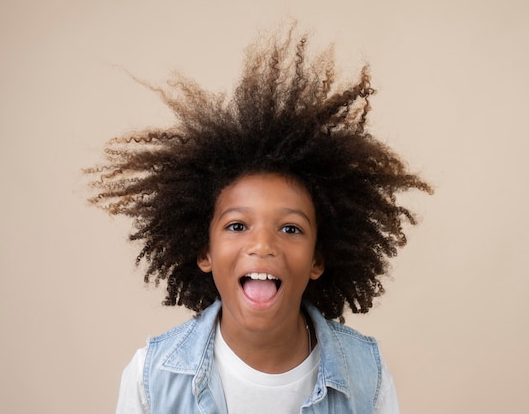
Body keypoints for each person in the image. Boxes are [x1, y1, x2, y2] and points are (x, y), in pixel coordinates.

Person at [87, 26, 432, 414]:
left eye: (290, 228)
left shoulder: (367, 378)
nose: (263, 245)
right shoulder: (151, 380)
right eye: (237, 225)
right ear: (205, 251)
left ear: (318, 258)